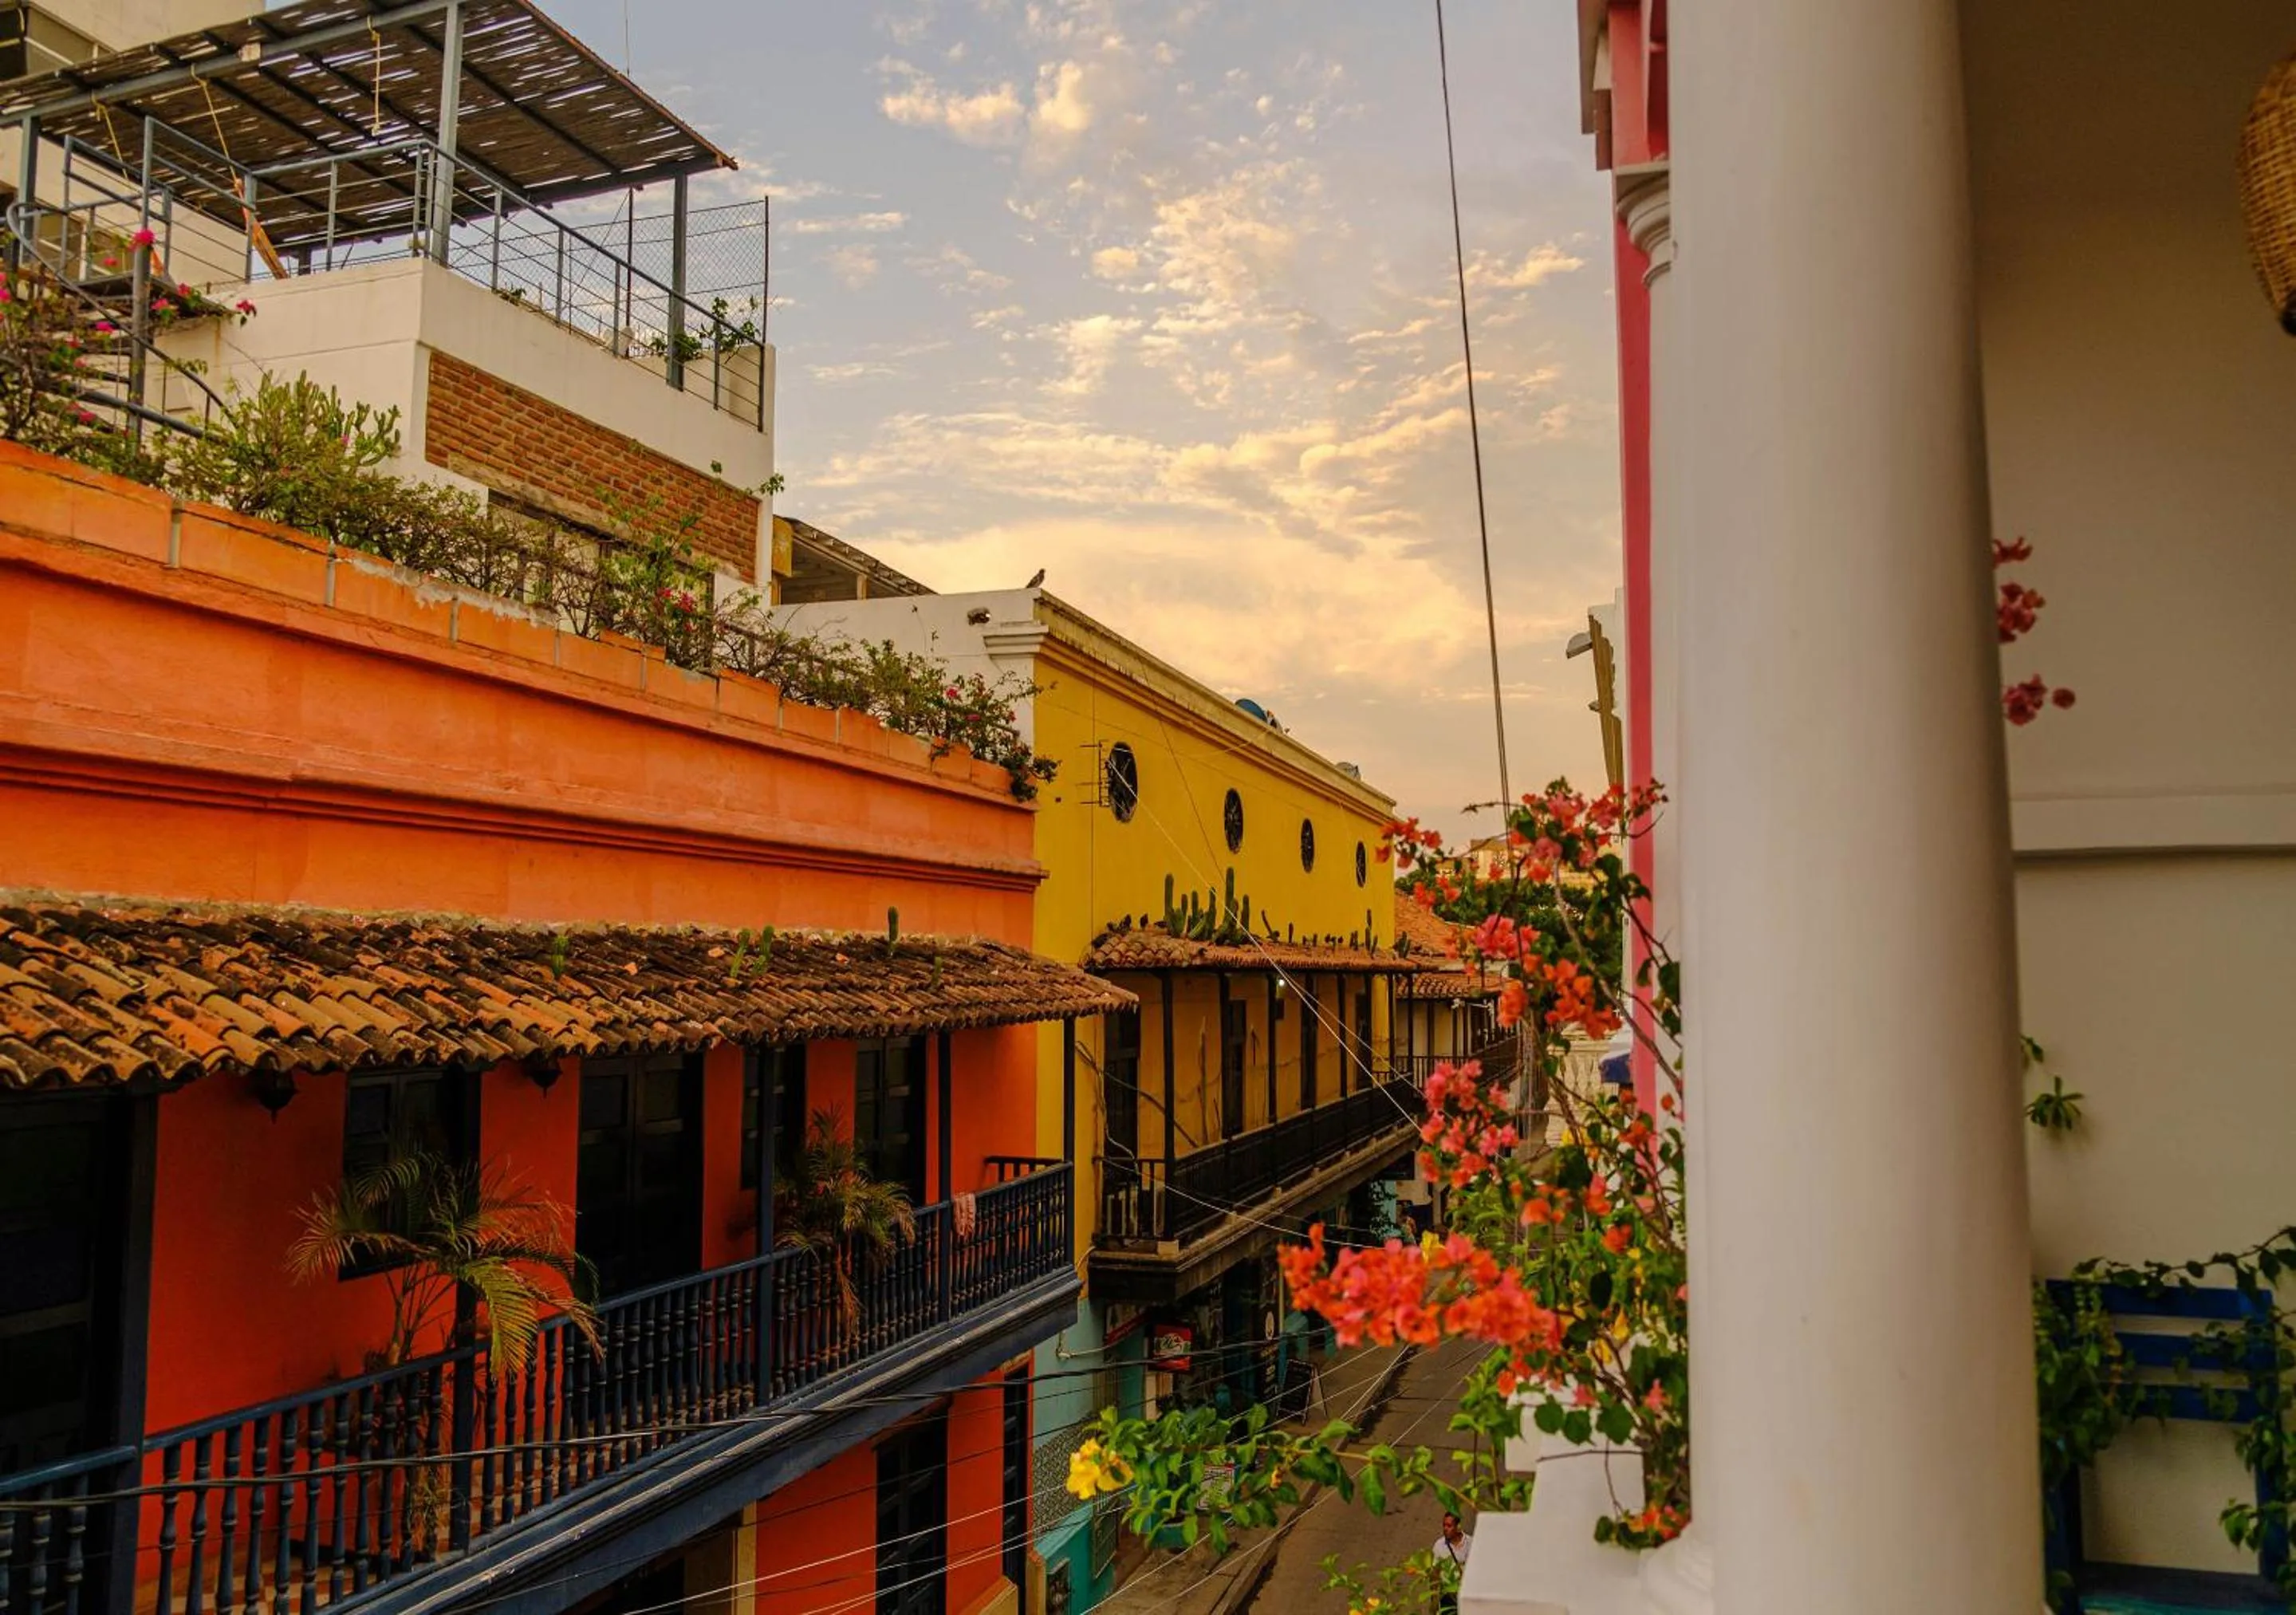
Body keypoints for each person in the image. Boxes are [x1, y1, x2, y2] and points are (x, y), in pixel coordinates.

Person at [1433, 1511, 1472, 1612]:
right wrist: (1434, 1602)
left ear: (1458, 1527)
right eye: (1444, 1525)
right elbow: (1435, 1574)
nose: (1445, 1529)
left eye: (1449, 1526)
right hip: (1447, 1596)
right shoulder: (1439, 1546)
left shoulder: (1471, 1543)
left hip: (1466, 1594)